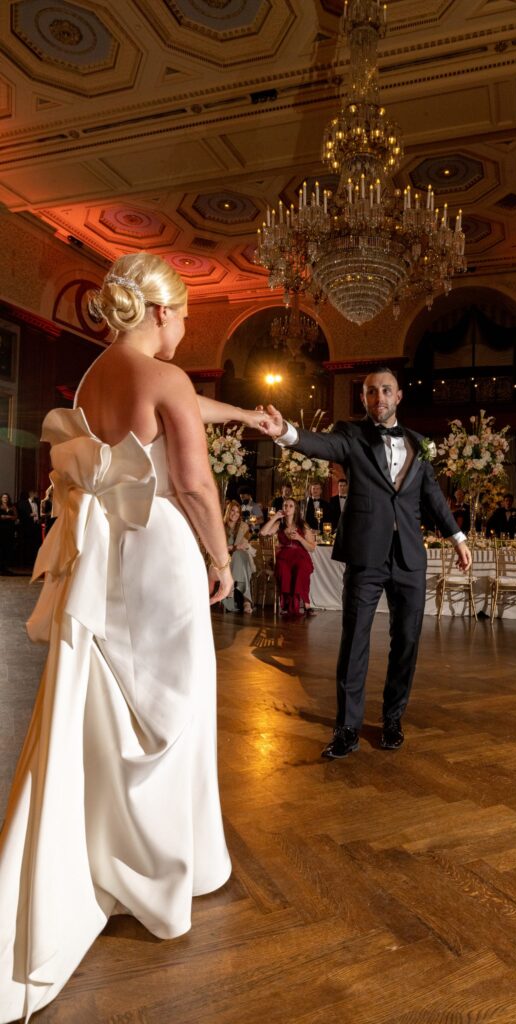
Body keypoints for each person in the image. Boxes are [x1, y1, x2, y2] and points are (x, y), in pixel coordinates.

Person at [0, 252, 274, 1022]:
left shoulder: (92, 381)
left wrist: (245, 415)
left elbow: (179, 414)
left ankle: (110, 860)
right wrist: (223, 559)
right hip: (160, 553)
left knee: (113, 701)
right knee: (173, 708)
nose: (186, 329)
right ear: (160, 313)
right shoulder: (169, 380)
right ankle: (164, 869)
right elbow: (190, 483)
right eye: (185, 315)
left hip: (105, 557)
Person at [264, 367, 471, 758]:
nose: (379, 398)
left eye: (386, 390)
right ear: (363, 399)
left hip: (409, 556)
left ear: (399, 396)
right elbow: (319, 444)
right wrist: (285, 432)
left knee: (406, 641)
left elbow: (433, 496)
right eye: (371, 392)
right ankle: (347, 728)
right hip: (366, 556)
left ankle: (393, 718)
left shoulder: (418, 443)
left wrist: (457, 537)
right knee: (355, 640)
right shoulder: (352, 434)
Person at [259, 496, 317, 616]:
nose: (287, 508)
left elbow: (312, 548)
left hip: (300, 555)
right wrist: (275, 517)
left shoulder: (302, 524)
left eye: (290, 506)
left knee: (301, 569)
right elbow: (263, 532)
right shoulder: (279, 524)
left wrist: (299, 538)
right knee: (283, 571)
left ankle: (306, 604)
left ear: (295, 509)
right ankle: (286, 604)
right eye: (285, 505)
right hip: (284, 556)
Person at [222, 500, 256, 614]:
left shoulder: (244, 526)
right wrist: (234, 547)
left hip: (241, 556)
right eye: (232, 510)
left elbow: (245, 544)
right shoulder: (220, 527)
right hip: (225, 559)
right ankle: (246, 600)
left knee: (239, 555)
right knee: (237, 556)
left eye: (237, 512)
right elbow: (219, 549)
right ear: (228, 511)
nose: (235, 514)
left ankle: (230, 595)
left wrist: (239, 546)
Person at [0, 491, 17, 575]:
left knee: (8, 548)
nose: (5, 499)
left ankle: (5, 567)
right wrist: (9, 517)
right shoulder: (0, 507)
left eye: (6, 497)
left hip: (10, 530)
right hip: (1, 530)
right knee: (1, 548)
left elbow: (15, 517)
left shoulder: (12, 507)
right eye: (4, 497)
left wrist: (6, 517)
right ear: (1, 499)